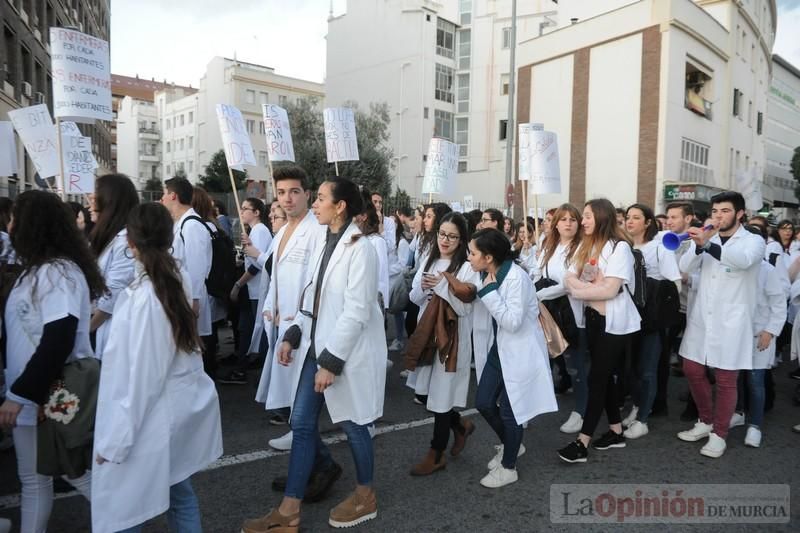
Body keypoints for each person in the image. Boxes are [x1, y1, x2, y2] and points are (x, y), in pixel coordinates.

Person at [242, 177, 386, 532]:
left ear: (341, 206)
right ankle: (289, 511)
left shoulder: (361, 248)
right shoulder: (324, 240)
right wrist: (292, 334)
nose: (315, 203)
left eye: (321, 198)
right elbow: (312, 296)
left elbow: (357, 311)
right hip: (314, 346)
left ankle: (365, 493)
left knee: (353, 426)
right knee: (302, 424)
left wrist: (331, 362)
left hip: (343, 354)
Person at [91, 202, 223, 533]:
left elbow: (144, 378)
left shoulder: (150, 295)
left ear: (130, 243)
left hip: (148, 418)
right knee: (178, 493)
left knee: (125, 507)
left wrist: (116, 440)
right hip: (164, 411)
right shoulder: (170, 279)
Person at [0, 190, 106, 533]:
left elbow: (58, 338)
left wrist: (19, 395)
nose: (10, 224)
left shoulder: (57, 272)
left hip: (50, 393)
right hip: (35, 394)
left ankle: (124, 524)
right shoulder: (38, 270)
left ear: (33, 225)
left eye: (15, 217)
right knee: (35, 479)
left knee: (75, 474)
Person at [253, 166, 336, 489]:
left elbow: (316, 284)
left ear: (307, 194)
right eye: (282, 192)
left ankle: (313, 472)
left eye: (294, 192)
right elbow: (275, 278)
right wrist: (270, 309)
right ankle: (319, 465)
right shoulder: (282, 231)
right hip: (281, 327)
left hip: (303, 331)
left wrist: (295, 322)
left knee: (301, 415)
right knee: (295, 411)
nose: (287, 198)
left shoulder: (316, 231)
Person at [676, 191, 765, 458]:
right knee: (691, 368)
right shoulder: (707, 236)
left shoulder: (753, 241)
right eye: (715, 212)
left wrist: (709, 245)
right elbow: (684, 266)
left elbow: (742, 261)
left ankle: (720, 434)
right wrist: (699, 244)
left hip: (732, 320)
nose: (718, 216)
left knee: (727, 379)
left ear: (739, 214)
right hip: (703, 316)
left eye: (725, 211)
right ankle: (706, 420)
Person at [470, 228, 557, 487]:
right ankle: (512, 444)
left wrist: (487, 294)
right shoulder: (490, 272)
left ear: (488, 257)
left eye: (473, 253)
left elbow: (513, 322)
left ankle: (509, 467)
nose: (469, 258)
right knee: (483, 402)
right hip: (501, 351)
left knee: (511, 412)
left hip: (521, 353)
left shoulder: (516, 278)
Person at [558, 198, 641, 463]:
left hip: (614, 325)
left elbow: (610, 290)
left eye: (587, 216)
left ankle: (582, 443)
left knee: (597, 379)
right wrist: (586, 289)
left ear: (602, 218)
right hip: (593, 319)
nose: (583, 221)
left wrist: (580, 289)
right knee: (602, 378)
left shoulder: (620, 249)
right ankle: (616, 431)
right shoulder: (587, 244)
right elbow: (568, 277)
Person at [406, 212, 478, 475]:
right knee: (424, 393)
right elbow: (414, 297)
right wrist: (426, 288)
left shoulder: (467, 266)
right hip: (427, 334)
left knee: (441, 396)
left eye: (452, 236)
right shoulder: (430, 257)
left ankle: (436, 454)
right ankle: (460, 425)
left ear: (462, 240)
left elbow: (465, 308)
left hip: (451, 338)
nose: (445, 240)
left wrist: (443, 287)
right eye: (442, 234)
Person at [621, 203, 681, 439]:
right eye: (628, 217)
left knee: (648, 370)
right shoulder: (622, 246)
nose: (630, 221)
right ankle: (637, 407)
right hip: (626, 316)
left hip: (651, 319)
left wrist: (667, 316)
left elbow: (674, 282)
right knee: (630, 369)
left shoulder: (660, 248)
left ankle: (644, 418)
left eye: (636, 217)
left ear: (648, 222)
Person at [729, 224, 786, 448]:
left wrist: (770, 331)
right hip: (735, 332)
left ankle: (755, 425)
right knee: (733, 378)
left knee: (755, 381)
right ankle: (738, 412)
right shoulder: (733, 266)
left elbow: (778, 303)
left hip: (758, 334)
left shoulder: (767, 270)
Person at [534, 203, 587, 434]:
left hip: (574, 312)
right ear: (555, 224)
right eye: (563, 219)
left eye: (573, 219)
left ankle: (582, 411)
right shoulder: (548, 245)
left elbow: (570, 283)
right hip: (547, 312)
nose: (568, 223)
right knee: (549, 357)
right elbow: (537, 272)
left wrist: (540, 294)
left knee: (578, 364)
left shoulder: (584, 247)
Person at [221, 197, 273, 385]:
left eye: (245, 208)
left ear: (257, 212)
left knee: (255, 331)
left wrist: (238, 284)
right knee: (246, 329)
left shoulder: (260, 231)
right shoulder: (255, 231)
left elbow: (257, 265)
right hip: (252, 290)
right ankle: (242, 367)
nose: (242, 212)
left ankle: (248, 370)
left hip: (256, 290)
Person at [88, 174, 140, 360]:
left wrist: (86, 332)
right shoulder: (109, 237)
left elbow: (113, 294)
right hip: (101, 326)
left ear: (110, 200)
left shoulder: (125, 241)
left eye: (95, 194)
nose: (90, 200)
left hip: (110, 331)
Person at [161, 177, 213, 352]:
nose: (162, 198)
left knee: (193, 349)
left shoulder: (192, 226)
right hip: (184, 296)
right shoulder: (181, 223)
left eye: (164, 194)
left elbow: (197, 266)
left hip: (191, 299)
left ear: (173, 195)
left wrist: (194, 301)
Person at [191, 186, 230, 381]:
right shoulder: (211, 226)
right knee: (210, 331)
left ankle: (210, 369)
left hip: (209, 288)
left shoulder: (201, 227)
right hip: (213, 287)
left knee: (208, 333)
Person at [359, 190, 390, 314]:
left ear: (364, 217)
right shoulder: (357, 238)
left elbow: (382, 278)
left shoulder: (377, 241)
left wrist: (383, 307)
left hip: (372, 307)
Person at [388, 213, 411, 352]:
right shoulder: (386, 240)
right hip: (387, 280)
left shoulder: (401, 242)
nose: (392, 225)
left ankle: (400, 339)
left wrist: (386, 269)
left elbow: (402, 264)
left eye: (394, 223)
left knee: (397, 311)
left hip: (395, 281)